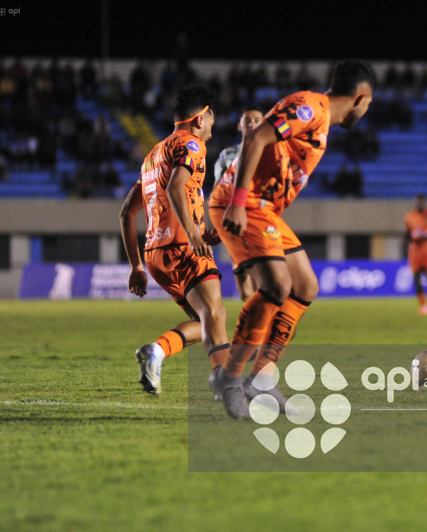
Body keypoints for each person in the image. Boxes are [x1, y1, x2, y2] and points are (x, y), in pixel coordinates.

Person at [212, 59, 376, 419]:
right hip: (246, 204)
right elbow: (255, 138)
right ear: (361, 98)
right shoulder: (310, 107)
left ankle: (261, 378)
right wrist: (237, 203)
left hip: (266, 211)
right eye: (367, 106)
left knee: (305, 287)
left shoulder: (320, 120)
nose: (365, 113)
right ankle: (230, 377)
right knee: (276, 286)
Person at [119, 84, 230, 397]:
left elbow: (127, 212)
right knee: (216, 315)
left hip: (156, 254)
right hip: (183, 246)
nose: (212, 127)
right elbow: (175, 188)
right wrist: (194, 235)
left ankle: (156, 351)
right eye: (210, 119)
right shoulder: (192, 145)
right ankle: (226, 384)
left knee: (206, 319)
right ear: (199, 119)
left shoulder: (154, 155)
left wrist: (136, 266)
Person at [208, 106, 265, 302]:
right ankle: (255, 318)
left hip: (259, 217)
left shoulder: (271, 152)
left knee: (264, 273)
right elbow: (217, 191)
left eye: (256, 120)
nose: (251, 123)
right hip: (234, 220)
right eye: (247, 120)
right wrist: (216, 225)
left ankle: (262, 322)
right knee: (242, 279)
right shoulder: (228, 155)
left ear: (263, 124)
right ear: (240, 125)